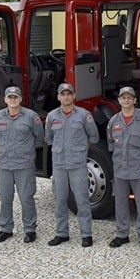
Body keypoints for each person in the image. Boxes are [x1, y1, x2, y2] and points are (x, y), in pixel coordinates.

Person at [45, 83, 100, 247]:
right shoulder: (51, 116)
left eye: (69, 94)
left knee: (82, 200)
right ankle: (62, 233)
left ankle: (86, 234)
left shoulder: (84, 115)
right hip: (59, 165)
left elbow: (94, 137)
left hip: (77, 164)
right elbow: (49, 138)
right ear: (58, 97)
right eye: (63, 94)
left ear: (74, 96)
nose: (66, 97)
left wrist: (80, 149)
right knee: (60, 200)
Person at [107, 86, 140, 249]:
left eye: (130, 97)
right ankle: (122, 234)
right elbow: (110, 144)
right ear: (119, 100)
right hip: (120, 170)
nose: (126, 100)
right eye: (123, 97)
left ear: (135, 100)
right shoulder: (113, 121)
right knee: (120, 203)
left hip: (139, 169)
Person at [0, 86, 44, 243]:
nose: (13, 100)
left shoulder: (30, 116)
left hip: (24, 165)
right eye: (10, 97)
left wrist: (25, 152)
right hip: (5, 165)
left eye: (16, 97)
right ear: (5, 99)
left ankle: (30, 229)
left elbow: (39, 137)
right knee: (5, 198)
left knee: (26, 197)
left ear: (21, 99)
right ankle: (6, 229)